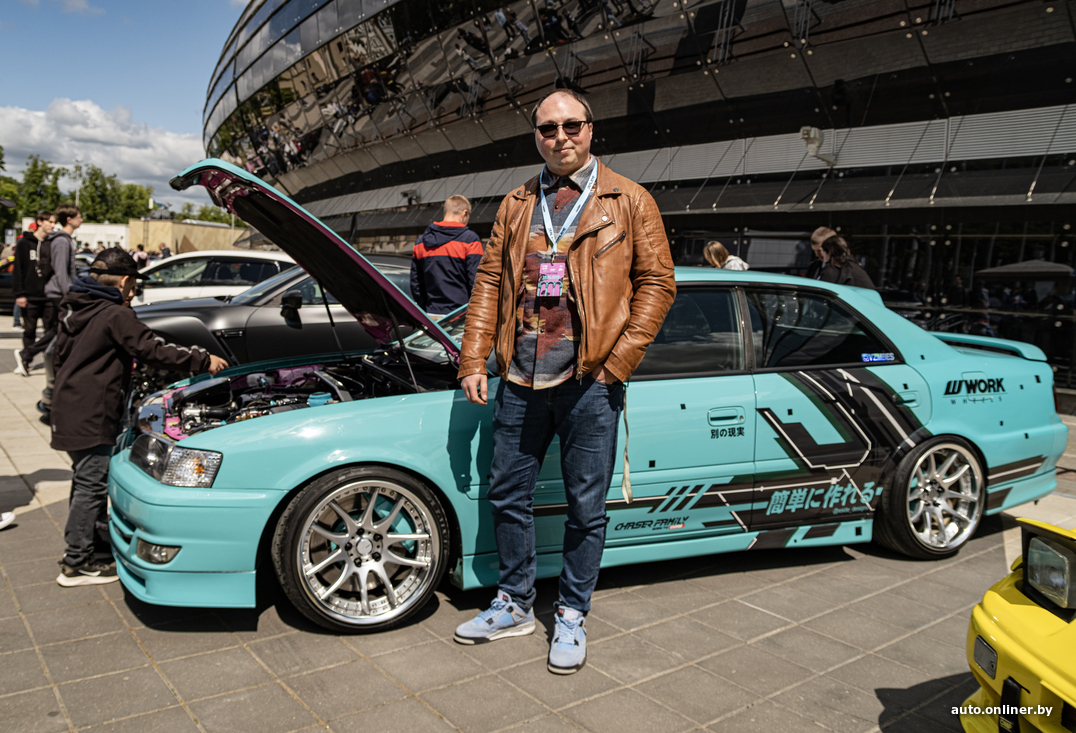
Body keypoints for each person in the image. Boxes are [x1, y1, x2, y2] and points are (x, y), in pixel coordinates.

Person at [453, 89, 676, 674]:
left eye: (571, 125)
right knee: (507, 494)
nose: (560, 137)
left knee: (585, 506)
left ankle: (572, 612)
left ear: (591, 129)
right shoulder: (516, 203)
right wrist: (474, 359)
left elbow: (658, 284)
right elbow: (488, 284)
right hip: (520, 377)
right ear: (536, 136)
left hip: (589, 382)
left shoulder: (629, 200)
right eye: (548, 128)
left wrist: (616, 365)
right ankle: (514, 602)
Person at [50, 248, 227, 586]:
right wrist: (202, 360)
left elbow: (59, 356)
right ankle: (77, 561)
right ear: (123, 282)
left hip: (68, 405)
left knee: (86, 478)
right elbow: (151, 350)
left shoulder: (75, 305)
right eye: (133, 287)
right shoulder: (114, 313)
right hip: (93, 411)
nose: (133, 294)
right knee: (91, 483)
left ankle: (92, 541)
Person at [35, 204, 82, 422]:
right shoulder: (62, 241)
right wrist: (69, 296)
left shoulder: (64, 240)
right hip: (58, 295)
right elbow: (62, 272)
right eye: (79, 217)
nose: (81, 220)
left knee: (56, 335)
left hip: (59, 294)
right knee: (56, 339)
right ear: (69, 219)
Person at [410, 195, 483, 316]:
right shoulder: (470, 240)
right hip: (461, 316)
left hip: (431, 314)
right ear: (464, 213)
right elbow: (476, 282)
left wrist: (425, 307)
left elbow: (416, 284)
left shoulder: (421, 242)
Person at [13, 210, 57, 376]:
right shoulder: (24, 243)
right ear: (40, 222)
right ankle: (26, 360)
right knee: (29, 331)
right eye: (50, 222)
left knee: (50, 330)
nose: (52, 225)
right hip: (30, 295)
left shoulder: (51, 243)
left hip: (48, 296)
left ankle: (49, 361)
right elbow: (18, 269)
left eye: (54, 222)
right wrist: (20, 294)